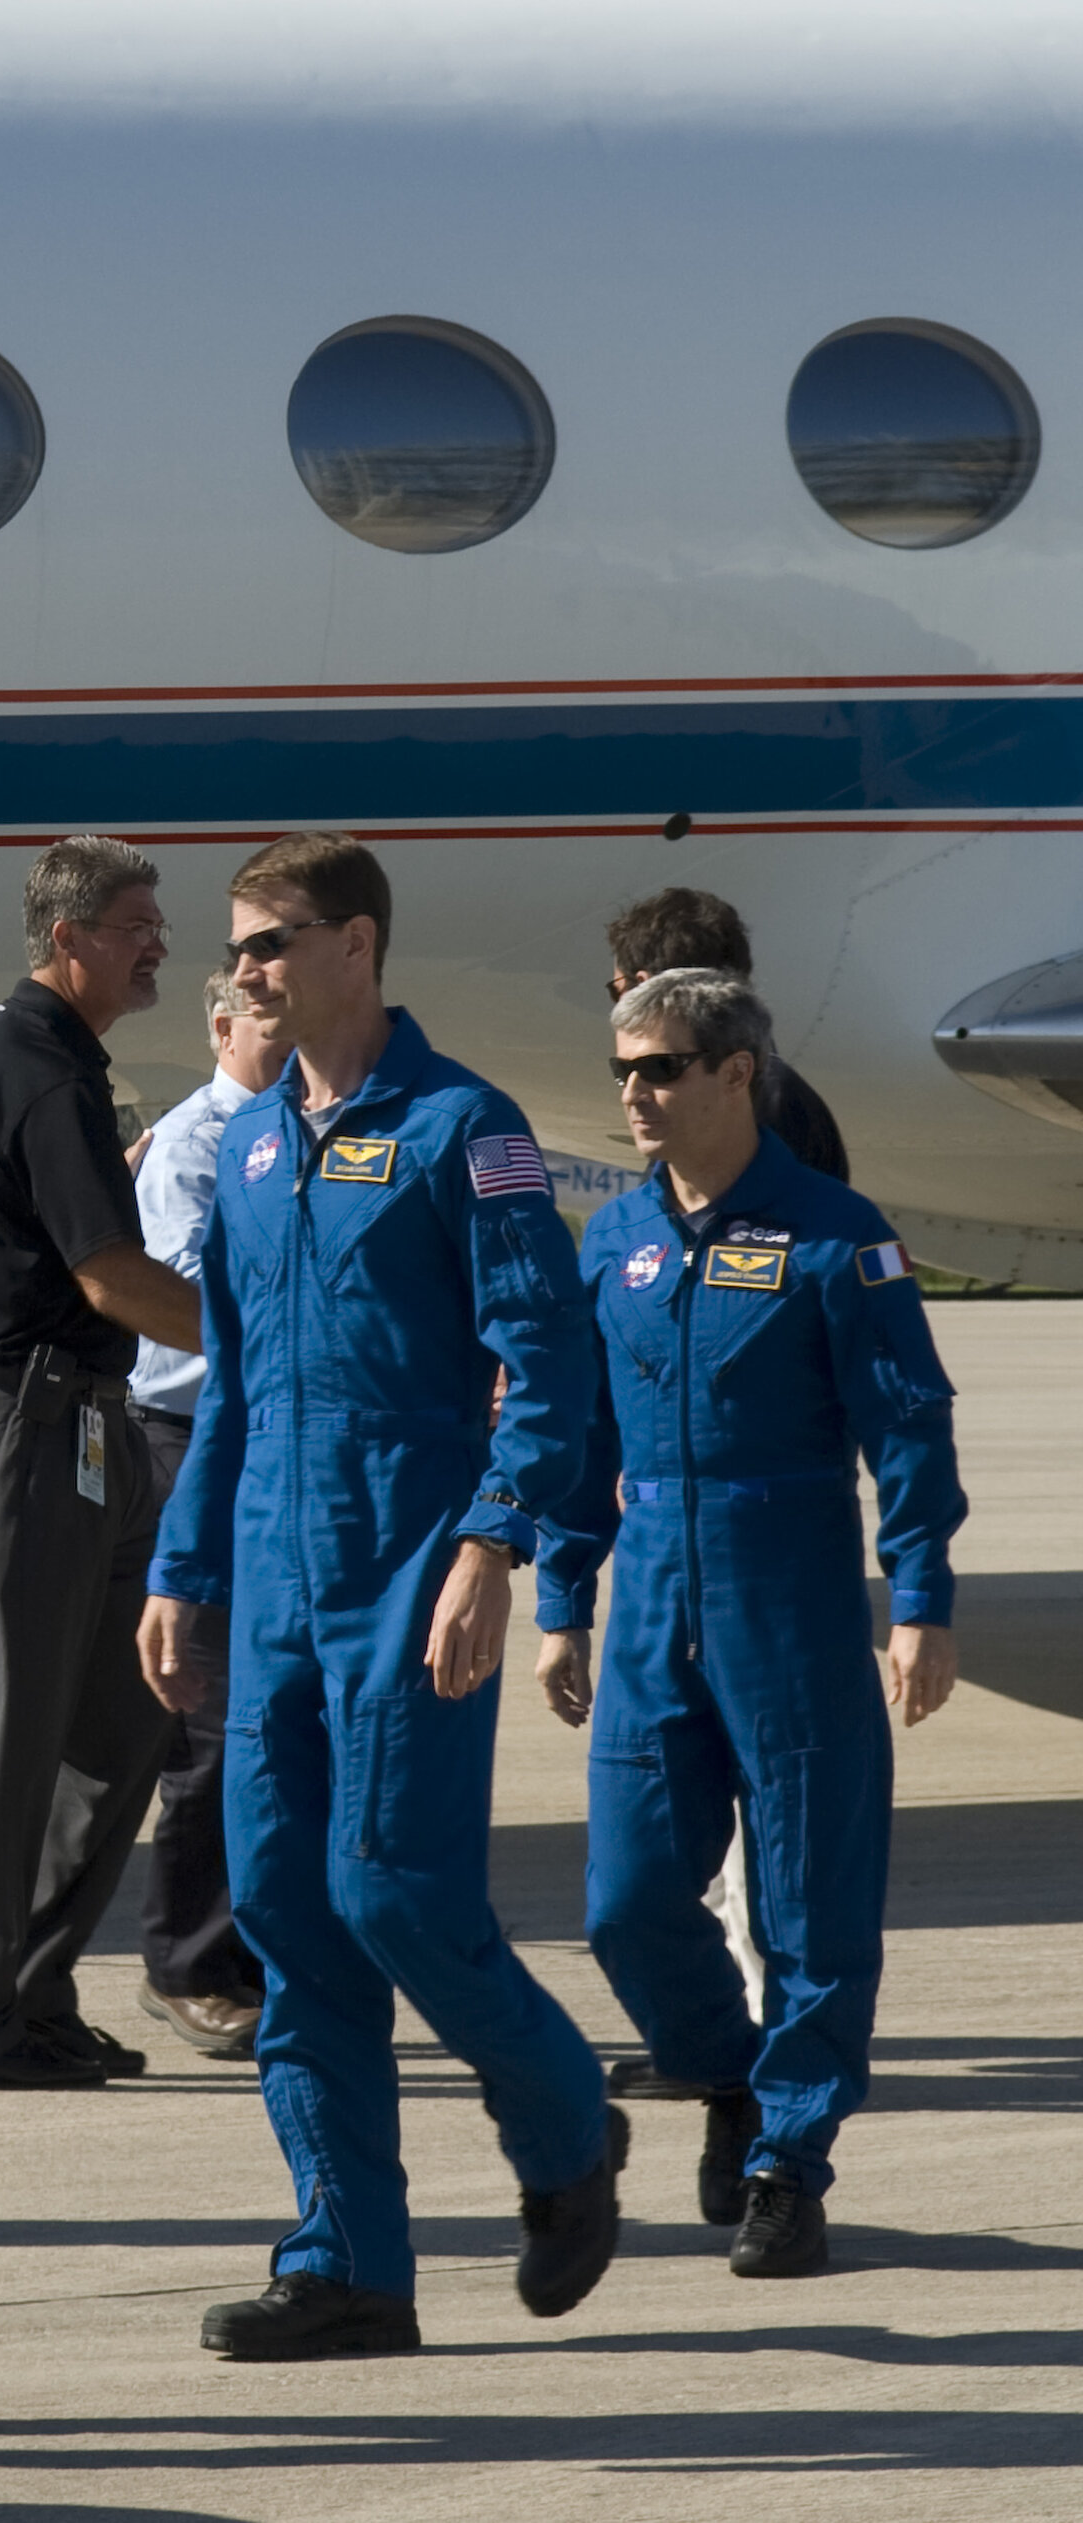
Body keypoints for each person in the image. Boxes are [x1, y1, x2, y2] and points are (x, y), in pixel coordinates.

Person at [140, 832, 624, 2362]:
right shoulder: (259, 1147)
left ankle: (564, 2122)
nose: (247, 972)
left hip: (411, 1563)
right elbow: (226, 1388)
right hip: (275, 1571)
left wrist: (494, 1544)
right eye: (238, 948)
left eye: (273, 941)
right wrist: (181, 1566)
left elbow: (545, 1364)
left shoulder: (462, 1127)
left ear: (357, 944)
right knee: (284, 1906)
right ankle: (345, 2256)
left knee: (393, 1890)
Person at [536, 968, 964, 2278]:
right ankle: (728, 2074)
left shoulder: (839, 1236)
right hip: (657, 1592)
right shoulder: (614, 1241)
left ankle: (789, 2162)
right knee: (625, 1898)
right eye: (625, 1069)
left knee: (809, 1908)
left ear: (736, 1074)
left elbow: (908, 1428)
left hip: (791, 1597)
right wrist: (563, 1595)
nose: (634, 1094)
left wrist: (924, 1603)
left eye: (660, 1068)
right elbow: (583, 1430)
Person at [0, 835, 201, 2091]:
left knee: (126, 1717)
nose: (159, 944)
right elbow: (107, 1273)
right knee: (24, 1730)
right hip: (28, 1431)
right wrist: (271, 1338)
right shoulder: (35, 1067)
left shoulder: (34, 1058)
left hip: (83, 1422)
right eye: (138, 924)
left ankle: (29, 1988)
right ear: (69, 937)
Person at [131, 970, 289, 2059]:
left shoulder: (305, 1133)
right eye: (270, 1023)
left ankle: (269, 1949)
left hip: (281, 1441)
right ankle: (186, 1963)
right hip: (194, 1444)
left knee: (280, 1716)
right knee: (211, 1721)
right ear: (222, 1030)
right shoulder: (198, 1144)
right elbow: (189, 1290)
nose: (293, 1039)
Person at [605, 888, 849, 1180]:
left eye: (662, 1069)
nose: (631, 1095)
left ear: (644, 985)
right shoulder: (781, 1095)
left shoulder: (767, 1101)